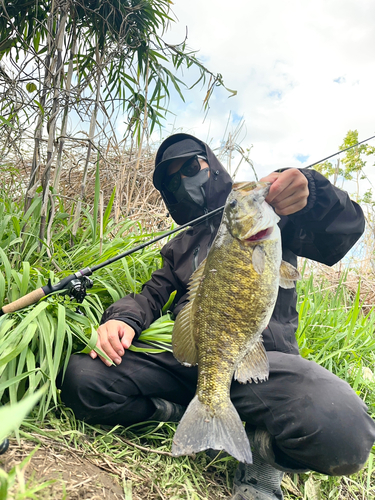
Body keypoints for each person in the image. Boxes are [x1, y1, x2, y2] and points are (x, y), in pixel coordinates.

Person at [59, 133, 375, 500]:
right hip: (200, 359)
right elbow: (151, 294)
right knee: (84, 378)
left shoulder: (274, 218)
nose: (185, 182)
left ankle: (262, 450)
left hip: (263, 364)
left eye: (192, 167)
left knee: (344, 431)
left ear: (211, 163)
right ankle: (185, 413)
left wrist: (310, 189)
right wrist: (122, 319)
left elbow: (345, 229)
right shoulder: (180, 244)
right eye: (173, 181)